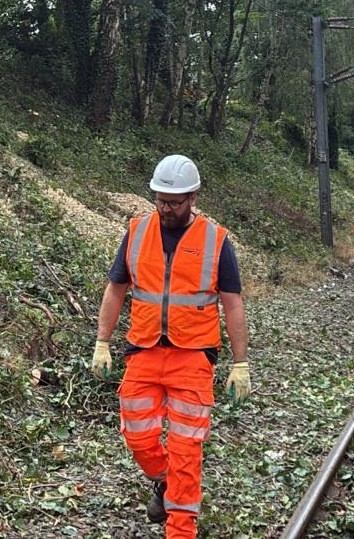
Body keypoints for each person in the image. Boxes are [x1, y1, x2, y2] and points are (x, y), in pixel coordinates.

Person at [91, 155, 250, 538]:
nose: (166, 208)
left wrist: (240, 363)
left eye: (174, 202)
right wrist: (102, 342)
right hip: (144, 351)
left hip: (193, 359)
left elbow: (233, 304)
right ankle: (166, 480)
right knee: (138, 436)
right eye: (161, 200)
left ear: (193, 198)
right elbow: (115, 289)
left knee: (186, 450)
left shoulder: (216, 240)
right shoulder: (136, 232)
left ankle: (180, 529)